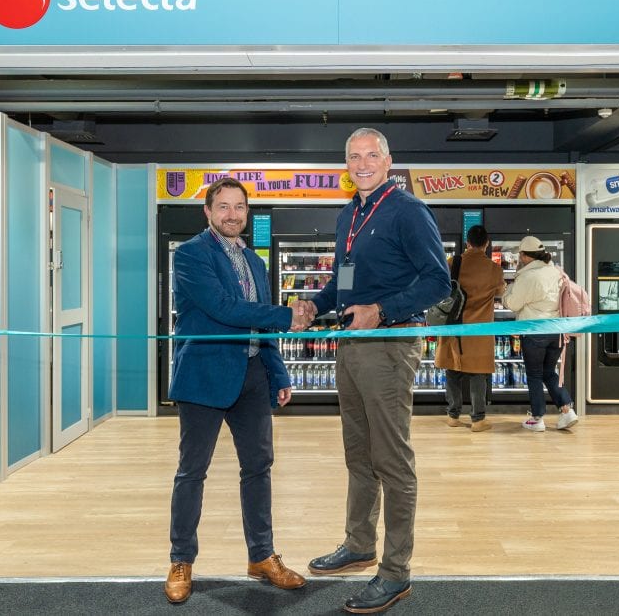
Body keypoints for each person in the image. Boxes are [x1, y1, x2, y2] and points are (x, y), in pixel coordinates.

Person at [304, 128, 451, 614]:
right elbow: (344, 283)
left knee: (391, 459)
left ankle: (395, 571)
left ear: (389, 162)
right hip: (352, 345)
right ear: (346, 164)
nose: (362, 163)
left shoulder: (408, 211)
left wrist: (382, 311)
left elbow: (439, 281)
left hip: (389, 345)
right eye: (354, 156)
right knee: (358, 453)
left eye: (371, 155)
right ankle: (359, 543)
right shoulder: (350, 214)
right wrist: (314, 305)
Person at [164, 177, 311, 604]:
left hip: (252, 376)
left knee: (259, 467)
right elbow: (223, 308)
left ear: (248, 212)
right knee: (192, 471)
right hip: (203, 377)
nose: (232, 215)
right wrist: (287, 315)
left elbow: (260, 326)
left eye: (239, 207)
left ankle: (261, 556)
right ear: (208, 212)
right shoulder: (191, 254)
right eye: (224, 207)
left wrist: (278, 373)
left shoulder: (254, 261)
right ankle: (181, 560)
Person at [501, 235, 578, 432]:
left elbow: (513, 304)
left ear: (526, 256)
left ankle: (537, 418)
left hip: (535, 331)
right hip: (556, 331)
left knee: (534, 374)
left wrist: (506, 292)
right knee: (548, 372)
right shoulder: (555, 271)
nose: (519, 258)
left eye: (520, 255)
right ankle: (567, 410)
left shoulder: (528, 277)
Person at [434, 225, 506, 432]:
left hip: (454, 327)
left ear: (467, 242)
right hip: (479, 330)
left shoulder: (453, 262)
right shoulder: (494, 269)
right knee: (478, 374)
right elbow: (500, 291)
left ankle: (453, 415)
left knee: (453, 370)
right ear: (487, 244)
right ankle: (478, 419)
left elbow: (441, 289)